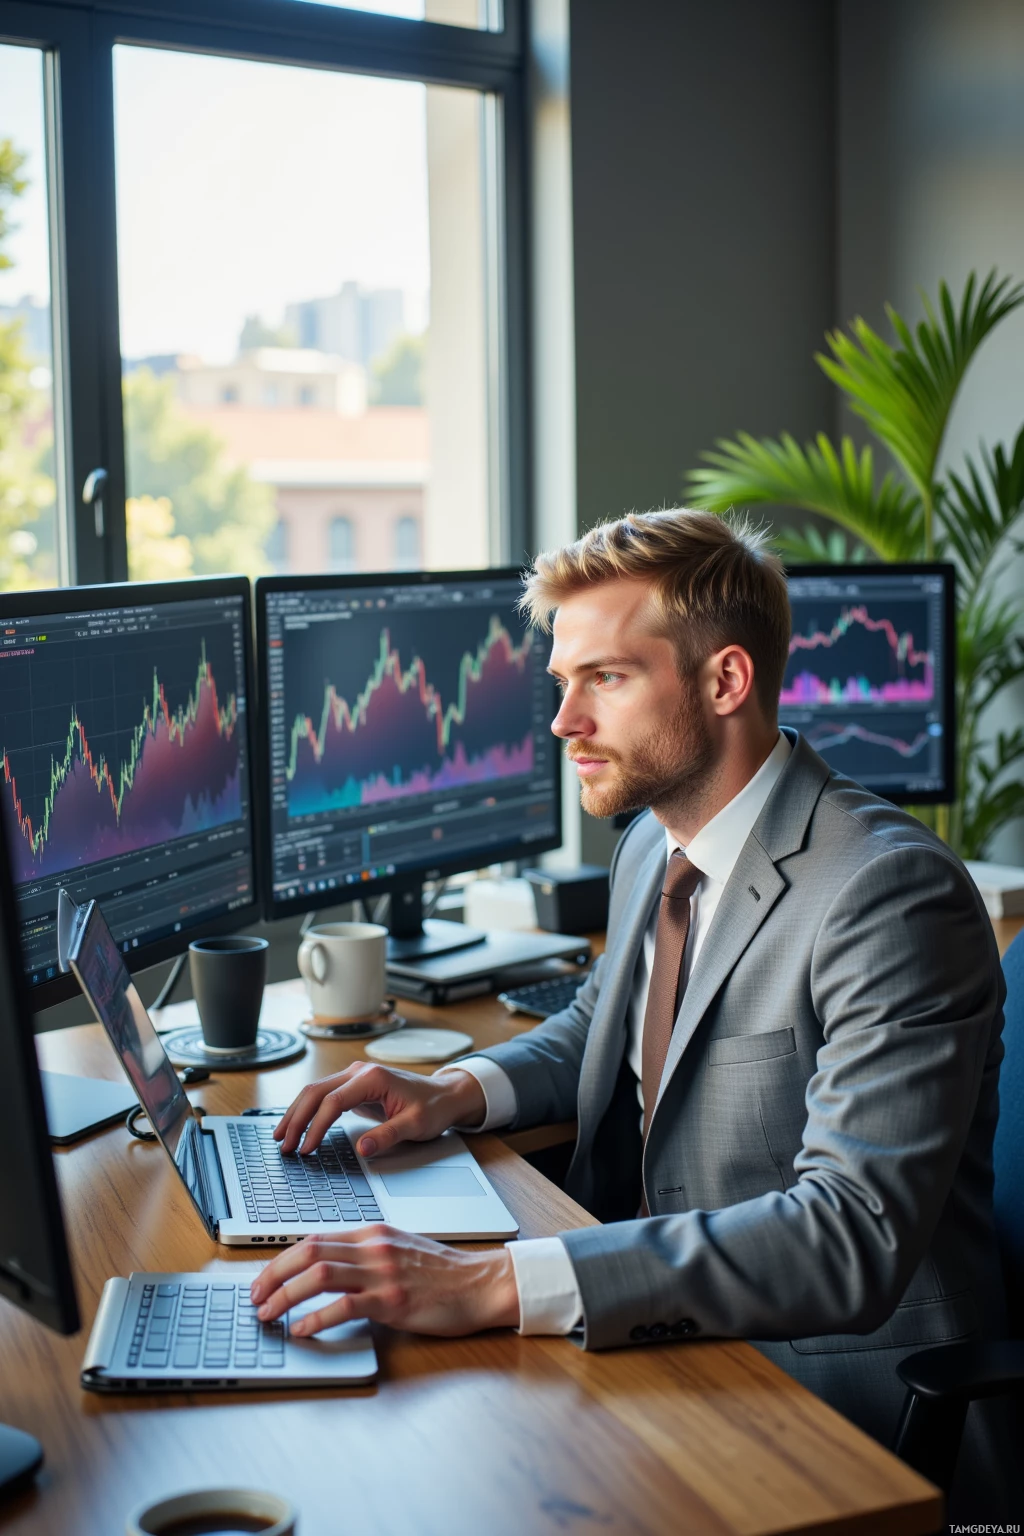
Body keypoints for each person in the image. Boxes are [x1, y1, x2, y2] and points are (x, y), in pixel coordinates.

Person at [251, 509, 1008, 1500]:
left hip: (833, 1411)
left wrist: (489, 1283)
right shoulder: (655, 841)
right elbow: (612, 1023)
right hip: (665, 1340)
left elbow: (849, 1235)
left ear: (725, 680)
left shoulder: (885, 894)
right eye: (563, 683)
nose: (564, 722)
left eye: (604, 679)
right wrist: (454, 1091)